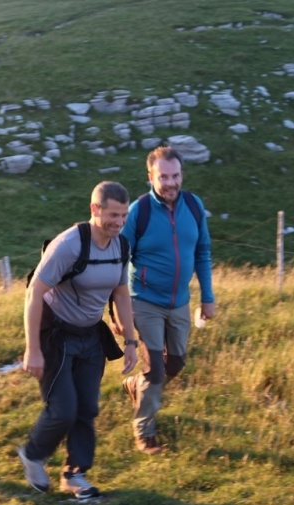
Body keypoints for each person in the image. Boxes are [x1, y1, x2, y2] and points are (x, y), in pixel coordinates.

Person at [18, 181, 138, 499]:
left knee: (86, 408)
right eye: (113, 215)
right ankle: (33, 454)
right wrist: (33, 349)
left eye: (124, 215)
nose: (119, 222)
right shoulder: (69, 245)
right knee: (63, 409)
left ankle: (74, 474)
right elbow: (34, 293)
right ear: (95, 209)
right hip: (56, 336)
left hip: (91, 336)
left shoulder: (121, 246)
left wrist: (130, 341)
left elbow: (121, 293)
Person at [119, 146, 215, 454]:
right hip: (143, 300)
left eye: (175, 176)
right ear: (151, 177)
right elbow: (119, 260)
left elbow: (202, 252)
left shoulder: (194, 206)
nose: (170, 183)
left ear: (181, 175)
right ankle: (144, 433)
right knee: (155, 369)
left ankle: (136, 386)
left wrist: (208, 297)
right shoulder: (139, 212)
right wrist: (117, 309)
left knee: (176, 362)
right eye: (163, 177)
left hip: (180, 302)